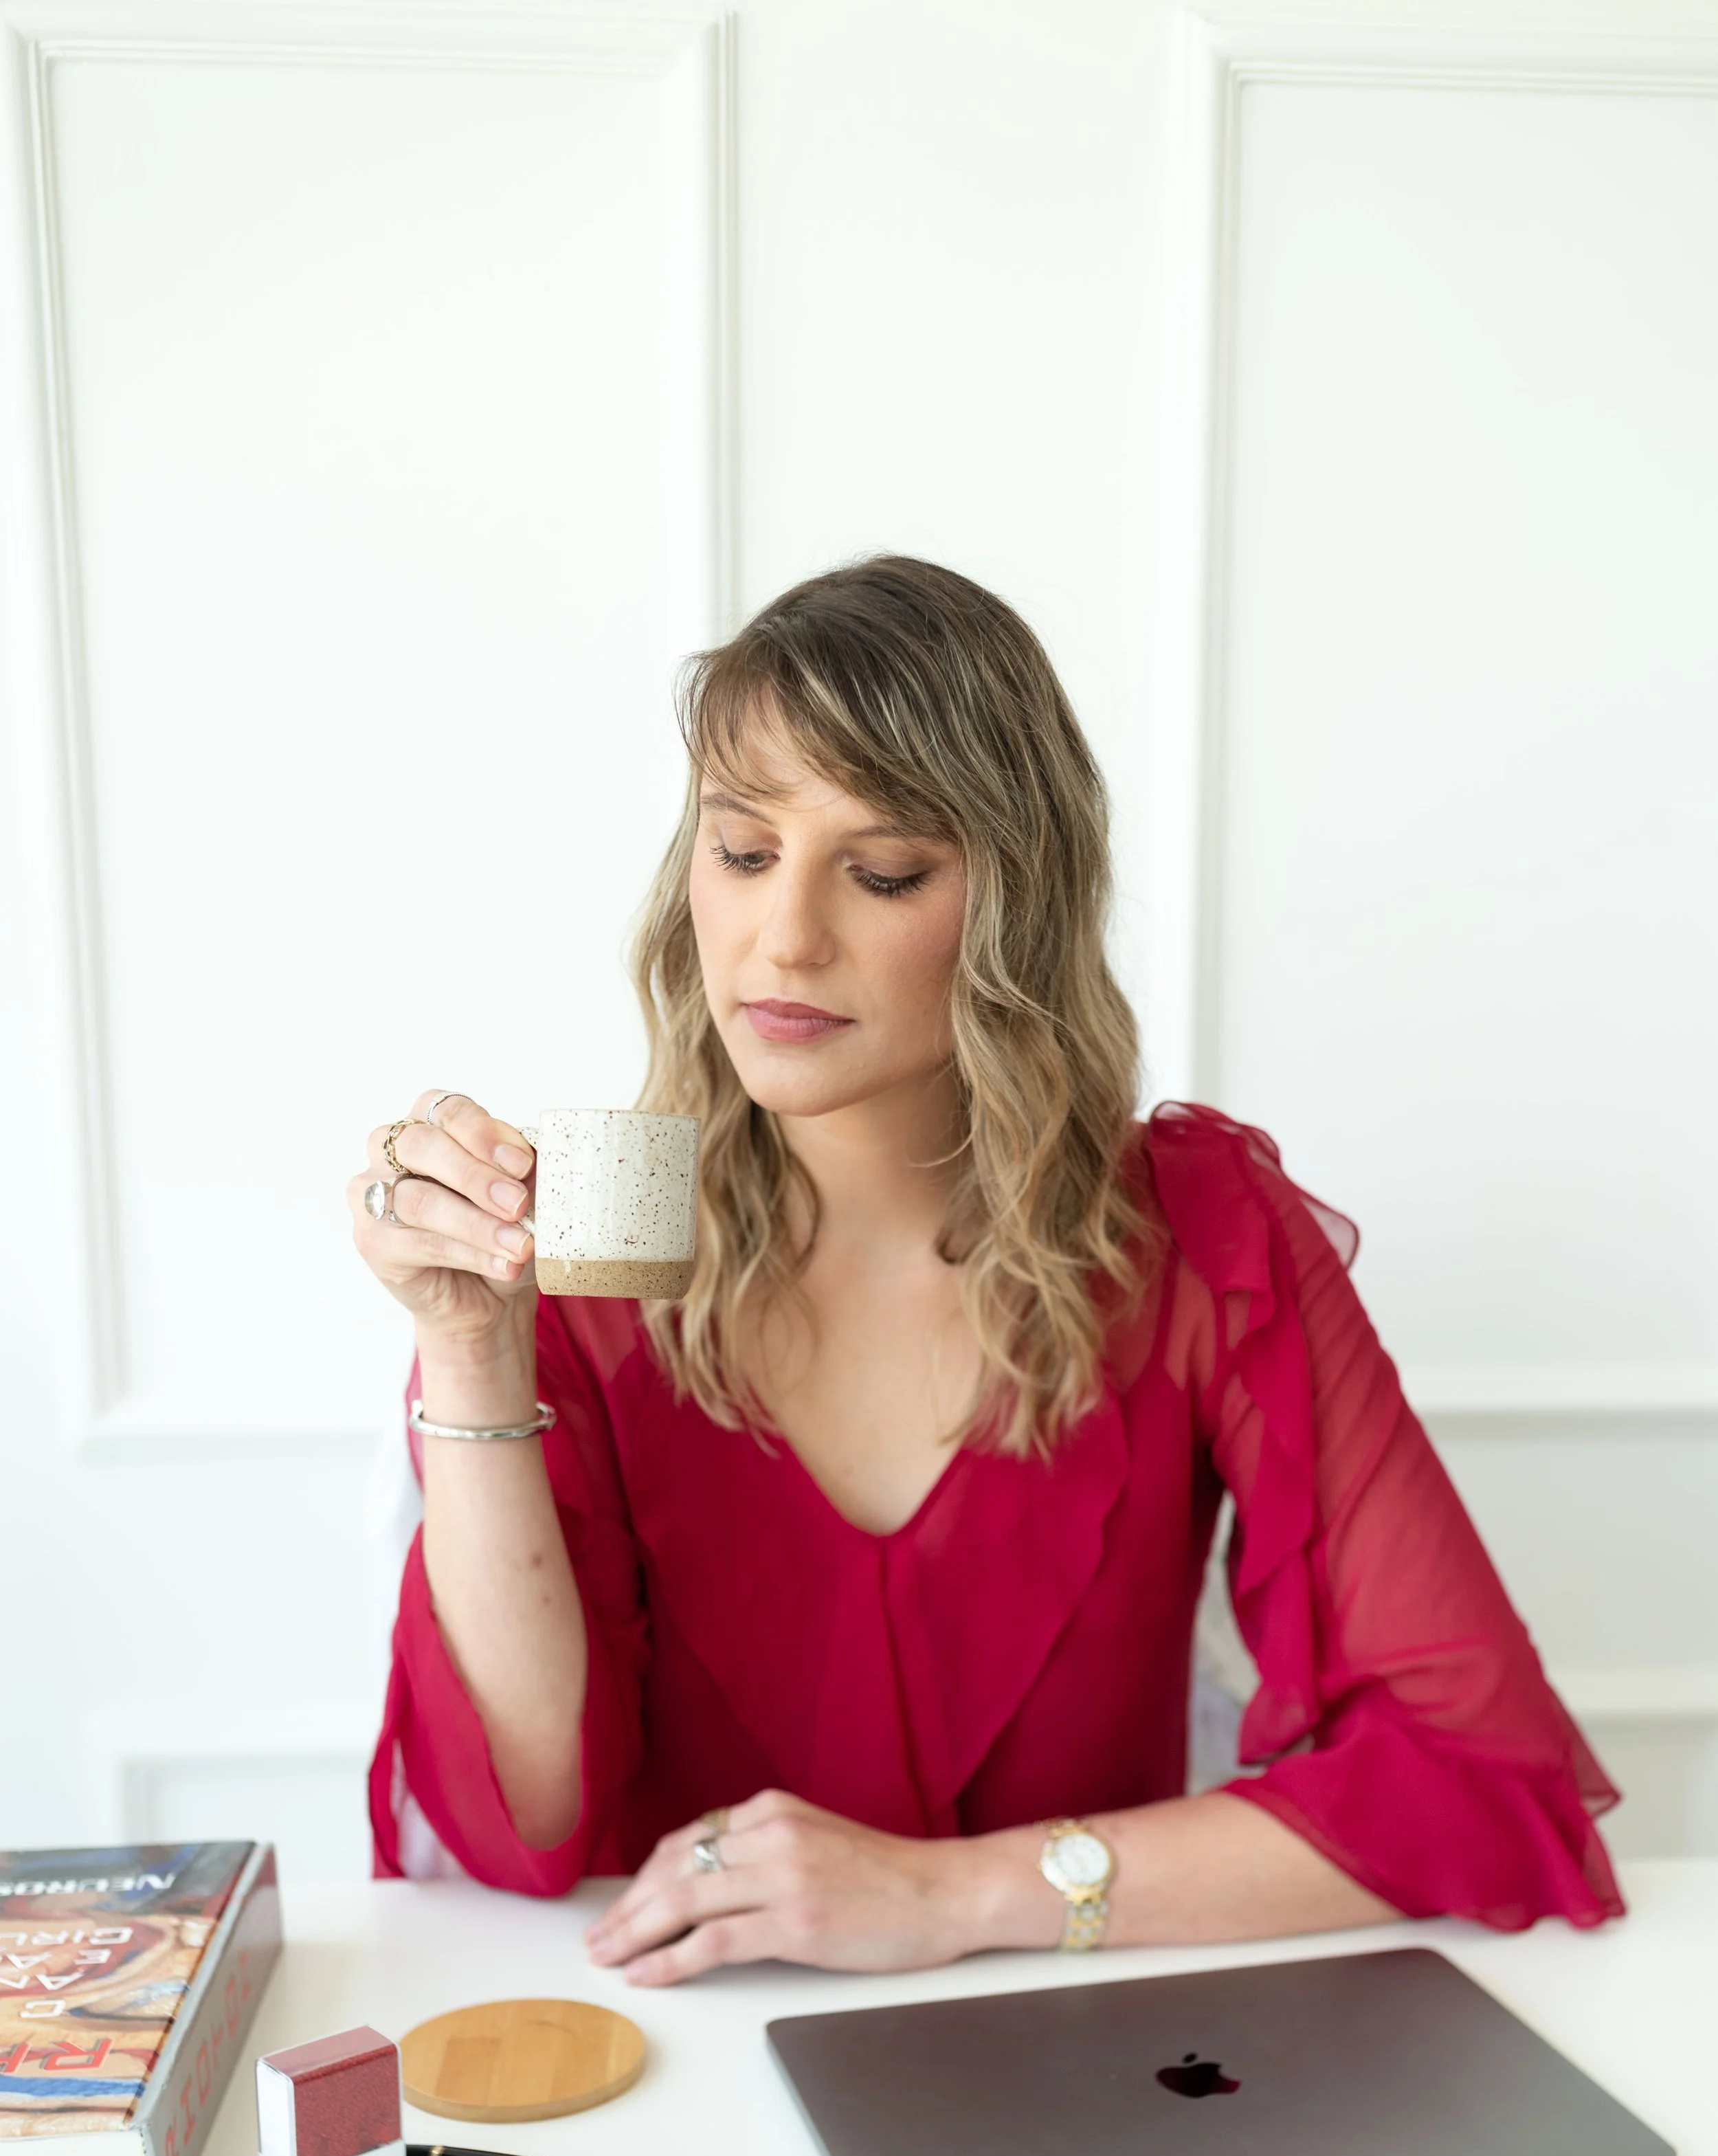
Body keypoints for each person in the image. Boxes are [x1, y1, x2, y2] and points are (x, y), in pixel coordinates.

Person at [350, 555, 1621, 1987]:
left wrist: (948, 1897)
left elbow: (1474, 1773)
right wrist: (467, 1347)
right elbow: (521, 1826)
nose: (784, 938)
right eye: (743, 852)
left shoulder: (1203, 1238)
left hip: (1082, 2059)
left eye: (882, 870)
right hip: (675, 2056)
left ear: (1014, 903)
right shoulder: (591, 1247)